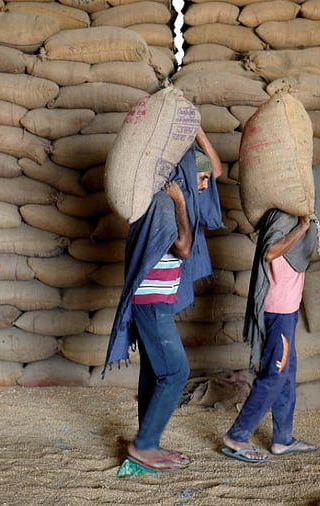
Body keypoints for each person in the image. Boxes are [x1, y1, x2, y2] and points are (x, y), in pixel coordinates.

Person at [104, 128, 223, 472]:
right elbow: (183, 248)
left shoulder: (169, 196)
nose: (205, 185)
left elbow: (215, 171)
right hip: (151, 303)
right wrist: (182, 203)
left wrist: (198, 133)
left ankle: (147, 439)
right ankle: (144, 446)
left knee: (155, 371)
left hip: (155, 302)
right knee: (176, 371)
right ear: (186, 176)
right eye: (199, 179)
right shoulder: (164, 204)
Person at [221, 165, 320, 464]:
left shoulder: (297, 216)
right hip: (276, 310)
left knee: (287, 376)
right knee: (274, 375)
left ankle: (282, 439)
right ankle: (236, 435)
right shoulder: (289, 218)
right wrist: (301, 227)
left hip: (286, 310)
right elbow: (270, 253)